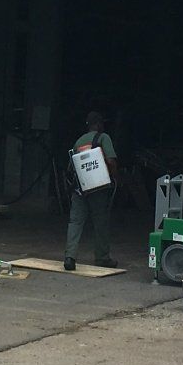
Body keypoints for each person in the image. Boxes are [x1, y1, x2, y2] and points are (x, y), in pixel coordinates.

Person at [65, 111, 118, 271]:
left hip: (80, 188)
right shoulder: (103, 137)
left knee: (75, 222)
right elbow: (110, 160)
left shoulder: (79, 141)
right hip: (98, 187)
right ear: (100, 124)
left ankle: (70, 257)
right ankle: (102, 258)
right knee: (100, 221)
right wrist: (114, 176)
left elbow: (71, 167)